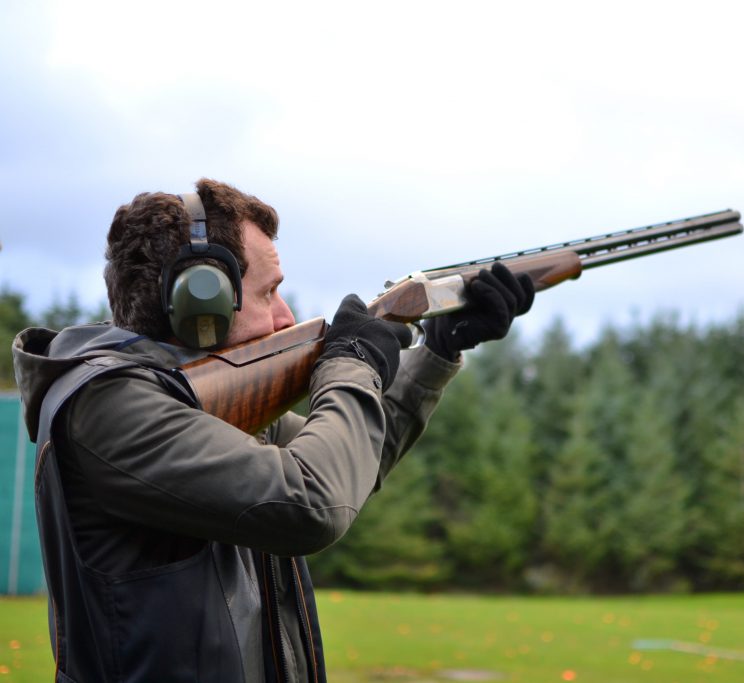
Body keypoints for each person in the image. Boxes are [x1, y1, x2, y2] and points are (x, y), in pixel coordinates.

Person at [12, 178, 534, 682]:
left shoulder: (191, 402)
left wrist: (438, 351)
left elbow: (348, 460)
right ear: (203, 303)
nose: (287, 317)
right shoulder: (111, 406)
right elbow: (314, 501)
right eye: (270, 293)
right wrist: (351, 361)